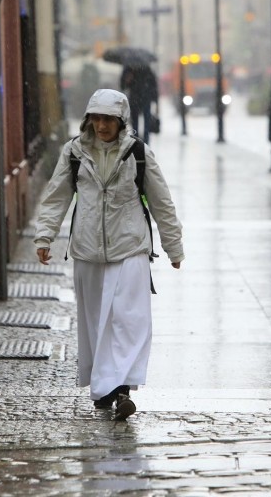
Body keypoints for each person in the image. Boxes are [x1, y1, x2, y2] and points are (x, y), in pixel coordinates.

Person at [33, 88, 184, 420]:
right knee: (96, 323)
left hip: (130, 245)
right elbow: (56, 197)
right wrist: (44, 237)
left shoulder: (138, 154)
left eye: (108, 120)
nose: (102, 126)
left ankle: (121, 389)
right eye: (97, 119)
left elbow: (162, 203)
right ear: (89, 120)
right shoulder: (73, 153)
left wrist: (173, 246)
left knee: (128, 320)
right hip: (87, 249)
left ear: (121, 121)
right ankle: (105, 390)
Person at [120, 64, 159, 144]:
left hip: (145, 98)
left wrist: (155, 101)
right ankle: (136, 141)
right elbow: (123, 86)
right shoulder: (129, 69)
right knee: (135, 122)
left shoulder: (146, 68)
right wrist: (127, 80)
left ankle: (145, 142)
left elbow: (153, 85)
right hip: (135, 99)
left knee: (146, 122)